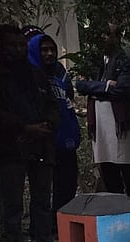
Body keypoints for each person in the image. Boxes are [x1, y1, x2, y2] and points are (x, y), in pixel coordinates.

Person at [0, 24, 59, 242]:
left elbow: (52, 104)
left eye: (21, 45)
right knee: (12, 203)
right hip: (9, 145)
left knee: (42, 199)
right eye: (12, 45)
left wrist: (48, 125)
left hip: (41, 144)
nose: (18, 49)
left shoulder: (35, 73)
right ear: (1, 47)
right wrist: (24, 128)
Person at [77, 23, 130, 201]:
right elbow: (81, 85)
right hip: (100, 122)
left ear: (117, 37)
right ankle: (116, 208)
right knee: (107, 169)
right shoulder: (93, 61)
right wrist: (106, 85)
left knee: (128, 171)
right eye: (102, 34)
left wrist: (94, 88)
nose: (104, 38)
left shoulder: (126, 59)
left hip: (122, 122)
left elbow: (124, 88)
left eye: (108, 34)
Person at [28, 32, 81, 222]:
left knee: (67, 183)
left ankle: (62, 223)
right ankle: (42, 227)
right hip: (43, 140)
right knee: (42, 188)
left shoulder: (59, 73)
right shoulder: (30, 75)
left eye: (52, 49)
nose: (49, 54)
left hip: (65, 138)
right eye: (44, 50)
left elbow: (68, 101)